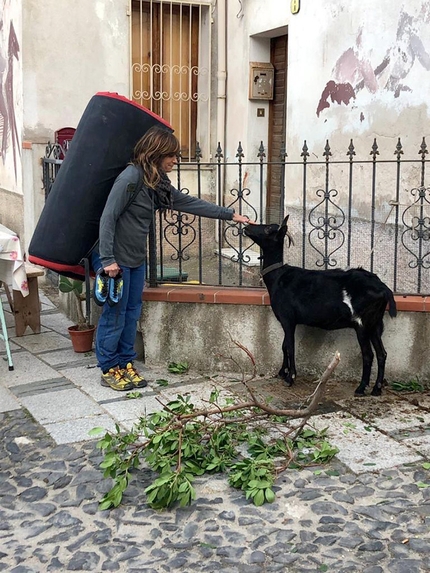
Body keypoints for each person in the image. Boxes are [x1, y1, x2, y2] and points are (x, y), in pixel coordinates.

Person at [92, 125, 253, 391]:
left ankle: (125, 362)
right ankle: (109, 367)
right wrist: (108, 259)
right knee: (115, 315)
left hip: (135, 260)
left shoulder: (157, 184)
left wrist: (229, 214)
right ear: (156, 153)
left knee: (132, 314)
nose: (175, 161)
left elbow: (189, 203)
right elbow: (108, 217)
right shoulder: (130, 178)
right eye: (172, 155)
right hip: (115, 262)